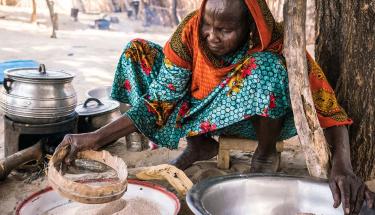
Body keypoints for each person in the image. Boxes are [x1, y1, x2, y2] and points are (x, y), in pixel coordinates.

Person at [57, 0, 374, 213]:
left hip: (251, 118)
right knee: (137, 51)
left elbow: (327, 105)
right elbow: (162, 98)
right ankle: (199, 145)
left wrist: (342, 166)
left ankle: (265, 154)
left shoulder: (274, 39)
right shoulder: (192, 30)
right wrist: (95, 138)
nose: (211, 35)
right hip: (196, 109)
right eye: (208, 24)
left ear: (249, 26)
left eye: (224, 30)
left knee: (268, 68)